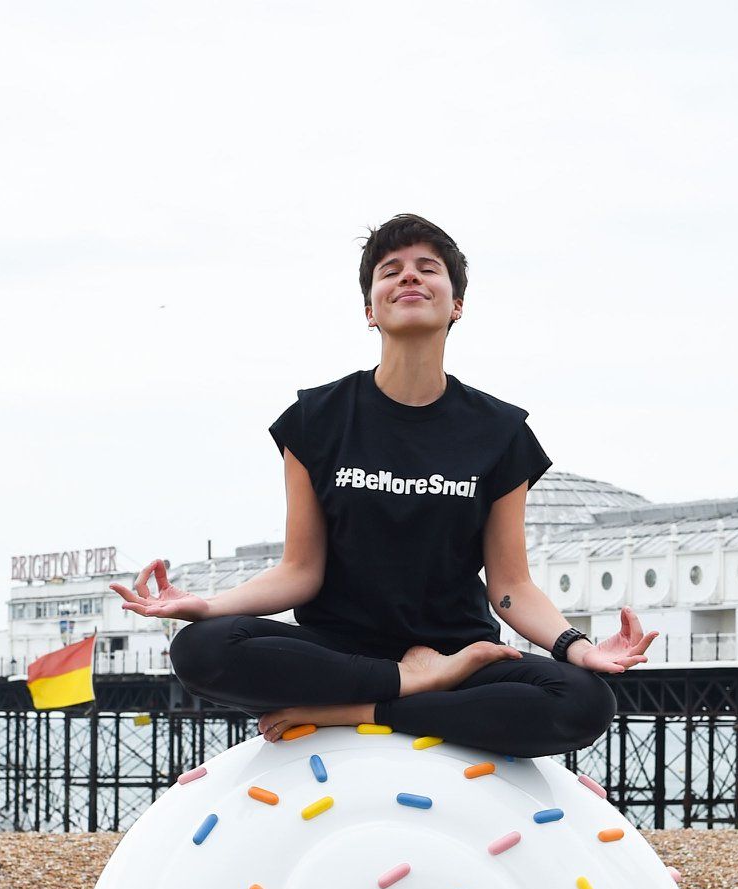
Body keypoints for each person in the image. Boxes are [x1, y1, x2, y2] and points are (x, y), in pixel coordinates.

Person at [113, 213, 657, 759]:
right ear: (371, 310)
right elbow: (300, 571)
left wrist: (577, 647)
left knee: (583, 700)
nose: (409, 278)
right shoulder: (317, 419)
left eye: (428, 268)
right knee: (202, 649)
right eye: (390, 270)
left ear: (457, 304)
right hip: (340, 651)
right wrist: (206, 605)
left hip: (457, 653)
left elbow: (510, 585)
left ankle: (365, 708)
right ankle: (408, 683)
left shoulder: (500, 431)